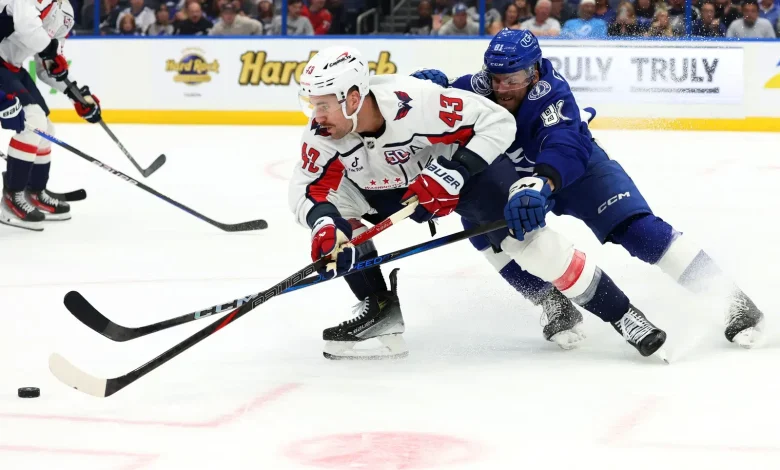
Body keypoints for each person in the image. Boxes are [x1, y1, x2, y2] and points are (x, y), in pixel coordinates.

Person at [289, 46, 668, 361]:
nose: (315, 117)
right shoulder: (323, 132)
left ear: (354, 98)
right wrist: (324, 225)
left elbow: (498, 122)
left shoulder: (416, 102)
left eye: (323, 105)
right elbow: (305, 188)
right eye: (312, 105)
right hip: (390, 186)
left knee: (532, 248)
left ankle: (624, 315)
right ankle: (381, 311)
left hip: (464, 178)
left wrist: (456, 171)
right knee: (336, 214)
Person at [412, 29, 764, 350]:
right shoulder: (477, 87)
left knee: (640, 231)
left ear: (533, 73)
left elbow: (563, 144)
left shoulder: (552, 95)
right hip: (510, 180)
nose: (502, 88)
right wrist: (426, 91)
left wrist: (542, 182)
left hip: (575, 169)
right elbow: (424, 105)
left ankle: (731, 300)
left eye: (513, 79)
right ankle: (553, 302)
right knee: (492, 236)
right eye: (496, 78)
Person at [0, 0, 101, 231]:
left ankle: (34, 191)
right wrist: (50, 50)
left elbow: (48, 66)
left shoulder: (66, 14)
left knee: (45, 127)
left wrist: (75, 95)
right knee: (32, 119)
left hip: (12, 66)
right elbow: (27, 26)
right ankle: (11, 197)